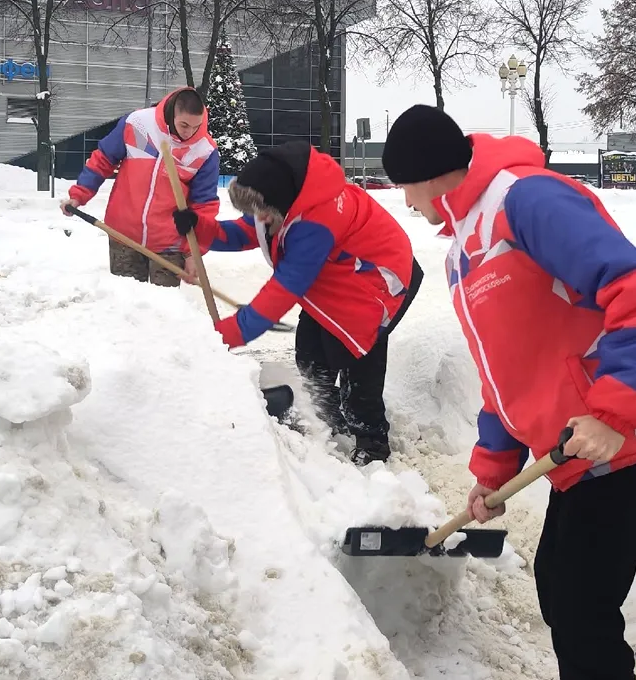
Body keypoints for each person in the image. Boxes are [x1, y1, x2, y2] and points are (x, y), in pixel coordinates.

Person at [380, 105, 636, 680]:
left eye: (404, 186)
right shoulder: (463, 248)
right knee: (560, 589)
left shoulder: (526, 200)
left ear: (427, 174)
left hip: (620, 433)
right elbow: (503, 373)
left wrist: (610, 412)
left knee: (581, 607)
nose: (405, 202)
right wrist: (493, 470)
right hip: (577, 445)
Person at [173, 140, 419, 464]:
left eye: (262, 211)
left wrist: (228, 333)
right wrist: (201, 228)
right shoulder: (285, 199)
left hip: (376, 284)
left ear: (282, 204)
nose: (258, 218)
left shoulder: (317, 220)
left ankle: (372, 447)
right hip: (335, 280)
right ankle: (329, 420)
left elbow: (284, 288)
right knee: (310, 354)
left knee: (357, 365)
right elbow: (247, 232)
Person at [60, 88, 219, 287]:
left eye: (196, 126)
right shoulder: (137, 124)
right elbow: (103, 159)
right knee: (127, 306)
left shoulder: (205, 150)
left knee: (163, 308)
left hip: (169, 243)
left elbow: (204, 206)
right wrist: (79, 195)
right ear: (172, 114)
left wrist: (193, 252)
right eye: (184, 125)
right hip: (123, 234)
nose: (190, 132)